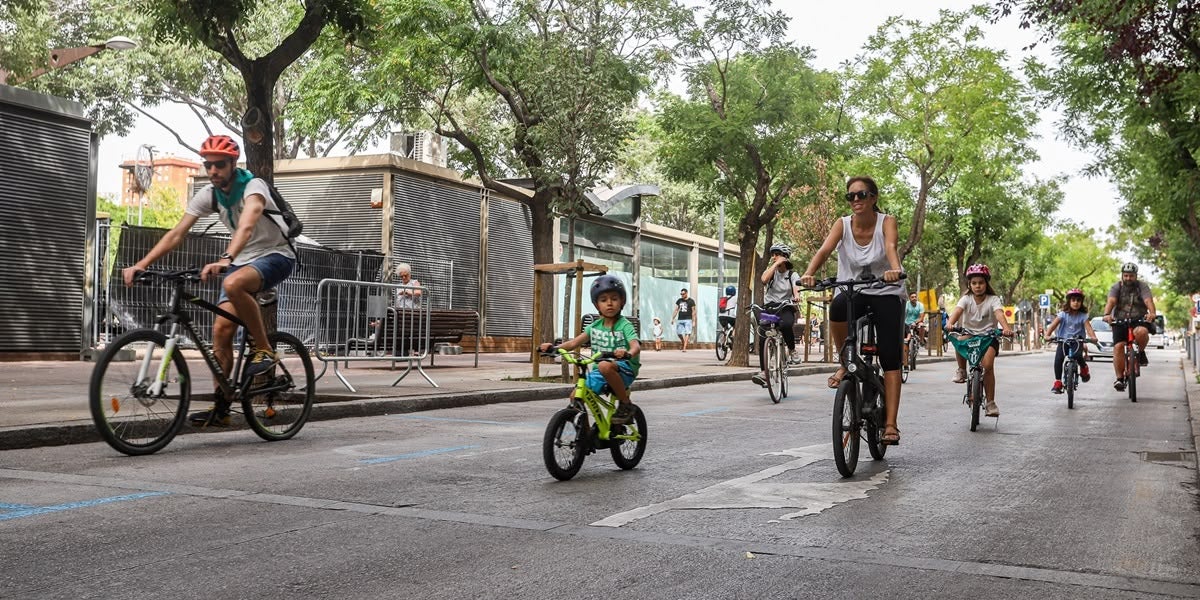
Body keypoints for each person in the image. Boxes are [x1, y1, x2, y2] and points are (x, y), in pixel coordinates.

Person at [121, 135, 296, 426]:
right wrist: (141, 264)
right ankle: (222, 409)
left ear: (232, 164)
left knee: (232, 283)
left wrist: (226, 259)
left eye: (219, 165)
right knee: (221, 331)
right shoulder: (210, 195)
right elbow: (177, 234)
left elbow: (248, 223)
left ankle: (265, 349)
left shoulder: (254, 186)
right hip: (241, 259)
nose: (213, 171)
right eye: (208, 165)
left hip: (276, 254)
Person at [799, 177, 905, 445]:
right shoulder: (842, 224)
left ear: (873, 198)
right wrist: (809, 274)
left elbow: (891, 248)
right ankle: (846, 361)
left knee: (891, 358)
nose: (856, 200)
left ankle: (890, 424)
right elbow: (824, 250)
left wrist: (895, 270)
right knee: (836, 307)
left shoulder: (887, 222)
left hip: (886, 291)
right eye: (851, 196)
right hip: (853, 290)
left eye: (862, 195)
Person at [538, 275, 641, 425]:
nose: (609, 303)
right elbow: (574, 343)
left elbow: (635, 345)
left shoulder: (625, 325)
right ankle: (584, 438)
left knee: (604, 365)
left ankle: (626, 404)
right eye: (604, 300)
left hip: (624, 368)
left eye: (614, 298)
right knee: (575, 396)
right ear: (597, 305)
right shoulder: (594, 326)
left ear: (622, 302)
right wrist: (554, 348)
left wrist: (628, 353)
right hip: (600, 371)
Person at [945, 264, 1014, 417]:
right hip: (969, 334)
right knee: (960, 340)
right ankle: (961, 370)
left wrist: (1006, 328)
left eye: (981, 283)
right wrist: (950, 323)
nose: (977, 286)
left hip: (989, 337)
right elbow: (957, 311)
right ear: (969, 284)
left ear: (986, 283)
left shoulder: (993, 299)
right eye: (974, 283)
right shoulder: (966, 299)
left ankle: (990, 403)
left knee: (988, 366)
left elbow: (999, 314)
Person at [752, 243, 802, 387]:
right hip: (769, 308)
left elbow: (796, 287)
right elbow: (763, 280)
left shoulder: (792, 274)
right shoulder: (772, 272)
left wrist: (796, 295)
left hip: (785, 306)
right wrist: (775, 265)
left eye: (777, 254)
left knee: (786, 325)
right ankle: (764, 373)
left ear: (785, 256)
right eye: (773, 254)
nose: (774, 257)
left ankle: (792, 350)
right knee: (763, 336)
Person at [1101, 262, 1157, 391]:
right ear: (1122, 275)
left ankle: (1141, 352)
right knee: (1118, 346)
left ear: (1135, 276)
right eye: (1125, 275)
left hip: (1138, 319)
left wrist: (1152, 313)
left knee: (1142, 332)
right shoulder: (1116, 287)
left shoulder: (1142, 286)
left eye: (1131, 276)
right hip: (1120, 320)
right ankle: (1119, 378)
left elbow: (1148, 300)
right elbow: (1111, 301)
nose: (1128, 278)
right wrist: (1107, 314)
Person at [1043, 288, 1098, 394]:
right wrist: (1047, 335)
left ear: (1081, 302)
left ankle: (1084, 368)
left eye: (1078, 300)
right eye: (1073, 300)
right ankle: (1058, 382)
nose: (1076, 303)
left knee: (1077, 355)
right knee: (1059, 359)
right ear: (1069, 301)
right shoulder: (1063, 314)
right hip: (1063, 340)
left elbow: (1089, 328)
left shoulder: (1083, 316)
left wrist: (1093, 337)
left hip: (1077, 341)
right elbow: (1053, 325)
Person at [903, 292, 926, 364]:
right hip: (907, 323)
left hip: (917, 322)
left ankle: (921, 340)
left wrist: (915, 322)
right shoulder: (906, 304)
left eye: (915, 297)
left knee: (922, 325)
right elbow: (904, 314)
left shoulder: (920, 305)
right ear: (909, 298)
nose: (914, 298)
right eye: (912, 297)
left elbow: (921, 317)